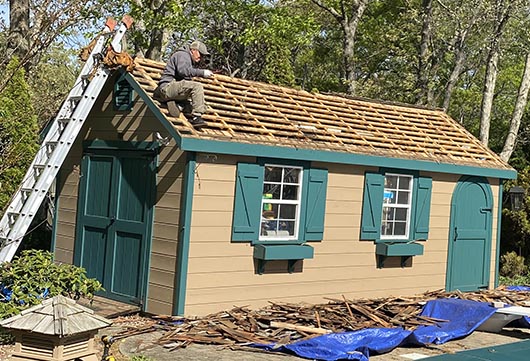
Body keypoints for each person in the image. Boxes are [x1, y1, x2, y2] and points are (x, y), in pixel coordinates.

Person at [154, 40, 214, 128]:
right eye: (200, 54)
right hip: (167, 87)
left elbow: (186, 81)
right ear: (194, 50)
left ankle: (178, 105)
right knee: (197, 86)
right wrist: (202, 72)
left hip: (174, 90)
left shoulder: (188, 59)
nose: (200, 58)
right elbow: (183, 71)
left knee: (202, 105)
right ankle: (196, 117)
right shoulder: (182, 55)